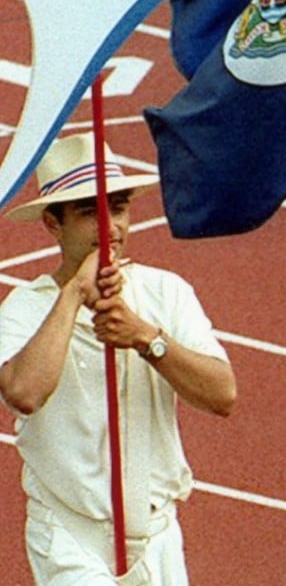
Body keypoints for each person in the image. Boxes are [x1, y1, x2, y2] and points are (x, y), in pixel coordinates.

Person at [0, 133, 237, 585]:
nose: (111, 227)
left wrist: (146, 337)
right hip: (71, 537)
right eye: (90, 212)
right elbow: (24, 393)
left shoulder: (166, 292)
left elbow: (222, 395)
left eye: (120, 208)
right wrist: (72, 296)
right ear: (54, 224)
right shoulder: (24, 308)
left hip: (158, 535)